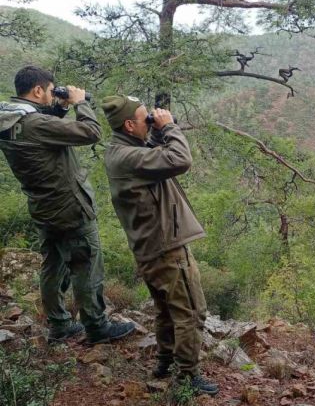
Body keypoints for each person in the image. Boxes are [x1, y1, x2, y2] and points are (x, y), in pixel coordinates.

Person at [0, 66, 135, 344]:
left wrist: (59, 108)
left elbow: (42, 133)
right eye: (50, 90)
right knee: (86, 265)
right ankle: (97, 328)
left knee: (53, 266)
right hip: (70, 207)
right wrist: (80, 103)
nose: (53, 94)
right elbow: (90, 132)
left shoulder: (10, 120)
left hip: (43, 207)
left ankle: (59, 325)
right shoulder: (36, 124)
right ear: (38, 90)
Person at [101, 95, 218, 395]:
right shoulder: (129, 157)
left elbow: (152, 156)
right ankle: (187, 378)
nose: (150, 121)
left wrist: (154, 131)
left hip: (150, 248)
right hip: (167, 249)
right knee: (192, 312)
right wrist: (170, 128)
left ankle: (165, 362)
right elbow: (180, 159)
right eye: (144, 119)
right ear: (129, 125)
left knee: (167, 310)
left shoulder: (120, 150)